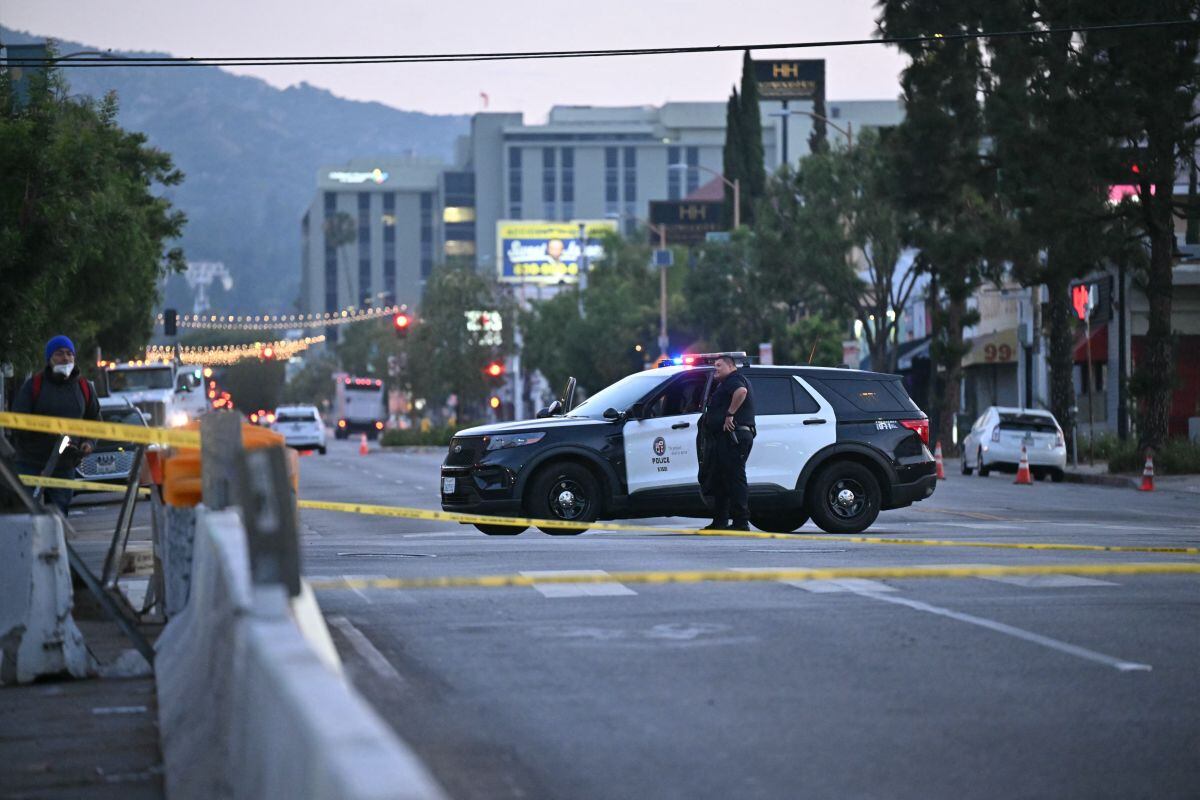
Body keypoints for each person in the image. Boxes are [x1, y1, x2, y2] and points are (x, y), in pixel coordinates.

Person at [10, 335, 100, 515]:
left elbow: (94, 421)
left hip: (64, 465)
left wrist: (89, 443)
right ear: (49, 358)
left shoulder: (84, 387)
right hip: (31, 463)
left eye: (69, 354)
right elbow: (17, 422)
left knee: (59, 515)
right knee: (27, 515)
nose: (65, 358)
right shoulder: (33, 386)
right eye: (59, 354)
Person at [698, 355, 755, 531]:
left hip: (734, 437)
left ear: (731, 366)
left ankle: (741, 522)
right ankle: (720, 520)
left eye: (719, 366)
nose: (716, 369)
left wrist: (730, 414)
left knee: (734, 478)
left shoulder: (734, 379)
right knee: (721, 479)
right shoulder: (725, 383)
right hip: (725, 438)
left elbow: (741, 392)